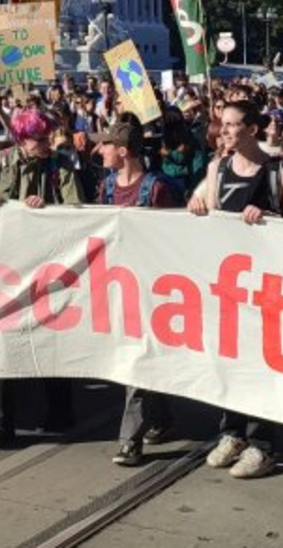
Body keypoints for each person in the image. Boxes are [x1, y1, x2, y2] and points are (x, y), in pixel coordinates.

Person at [189, 100, 283, 479]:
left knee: (260, 363)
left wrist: (270, 219)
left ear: (253, 129)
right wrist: (196, 204)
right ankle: (232, 432)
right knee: (230, 359)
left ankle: (262, 443)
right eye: (223, 124)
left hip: (265, 285)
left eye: (234, 125)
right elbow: (205, 204)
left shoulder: (278, 170)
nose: (226, 131)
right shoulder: (217, 167)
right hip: (228, 282)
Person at [0, 109, 84, 448]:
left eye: (48, 137)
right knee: (3, 342)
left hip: (47, 265)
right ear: (21, 140)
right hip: (7, 266)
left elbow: (77, 210)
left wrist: (49, 211)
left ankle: (61, 410)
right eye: (40, 139)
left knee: (51, 337)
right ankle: (1, 423)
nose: (47, 143)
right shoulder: (0, 162)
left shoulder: (61, 166)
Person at [94, 119, 184, 468]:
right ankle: (161, 418)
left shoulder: (157, 189)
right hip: (117, 285)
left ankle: (129, 440)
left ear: (123, 151)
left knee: (134, 360)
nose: (99, 150)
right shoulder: (105, 188)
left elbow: (174, 239)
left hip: (151, 288)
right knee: (138, 356)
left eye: (106, 145)